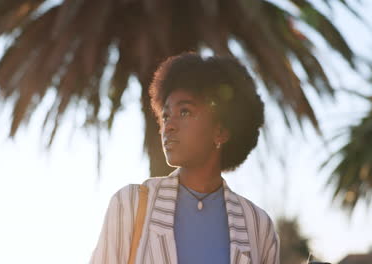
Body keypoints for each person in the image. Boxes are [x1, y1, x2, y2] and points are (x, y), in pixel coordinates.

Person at [90, 53, 280, 264]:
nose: (168, 126)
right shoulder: (130, 204)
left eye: (185, 112)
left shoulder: (258, 225)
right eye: (165, 115)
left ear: (221, 132)